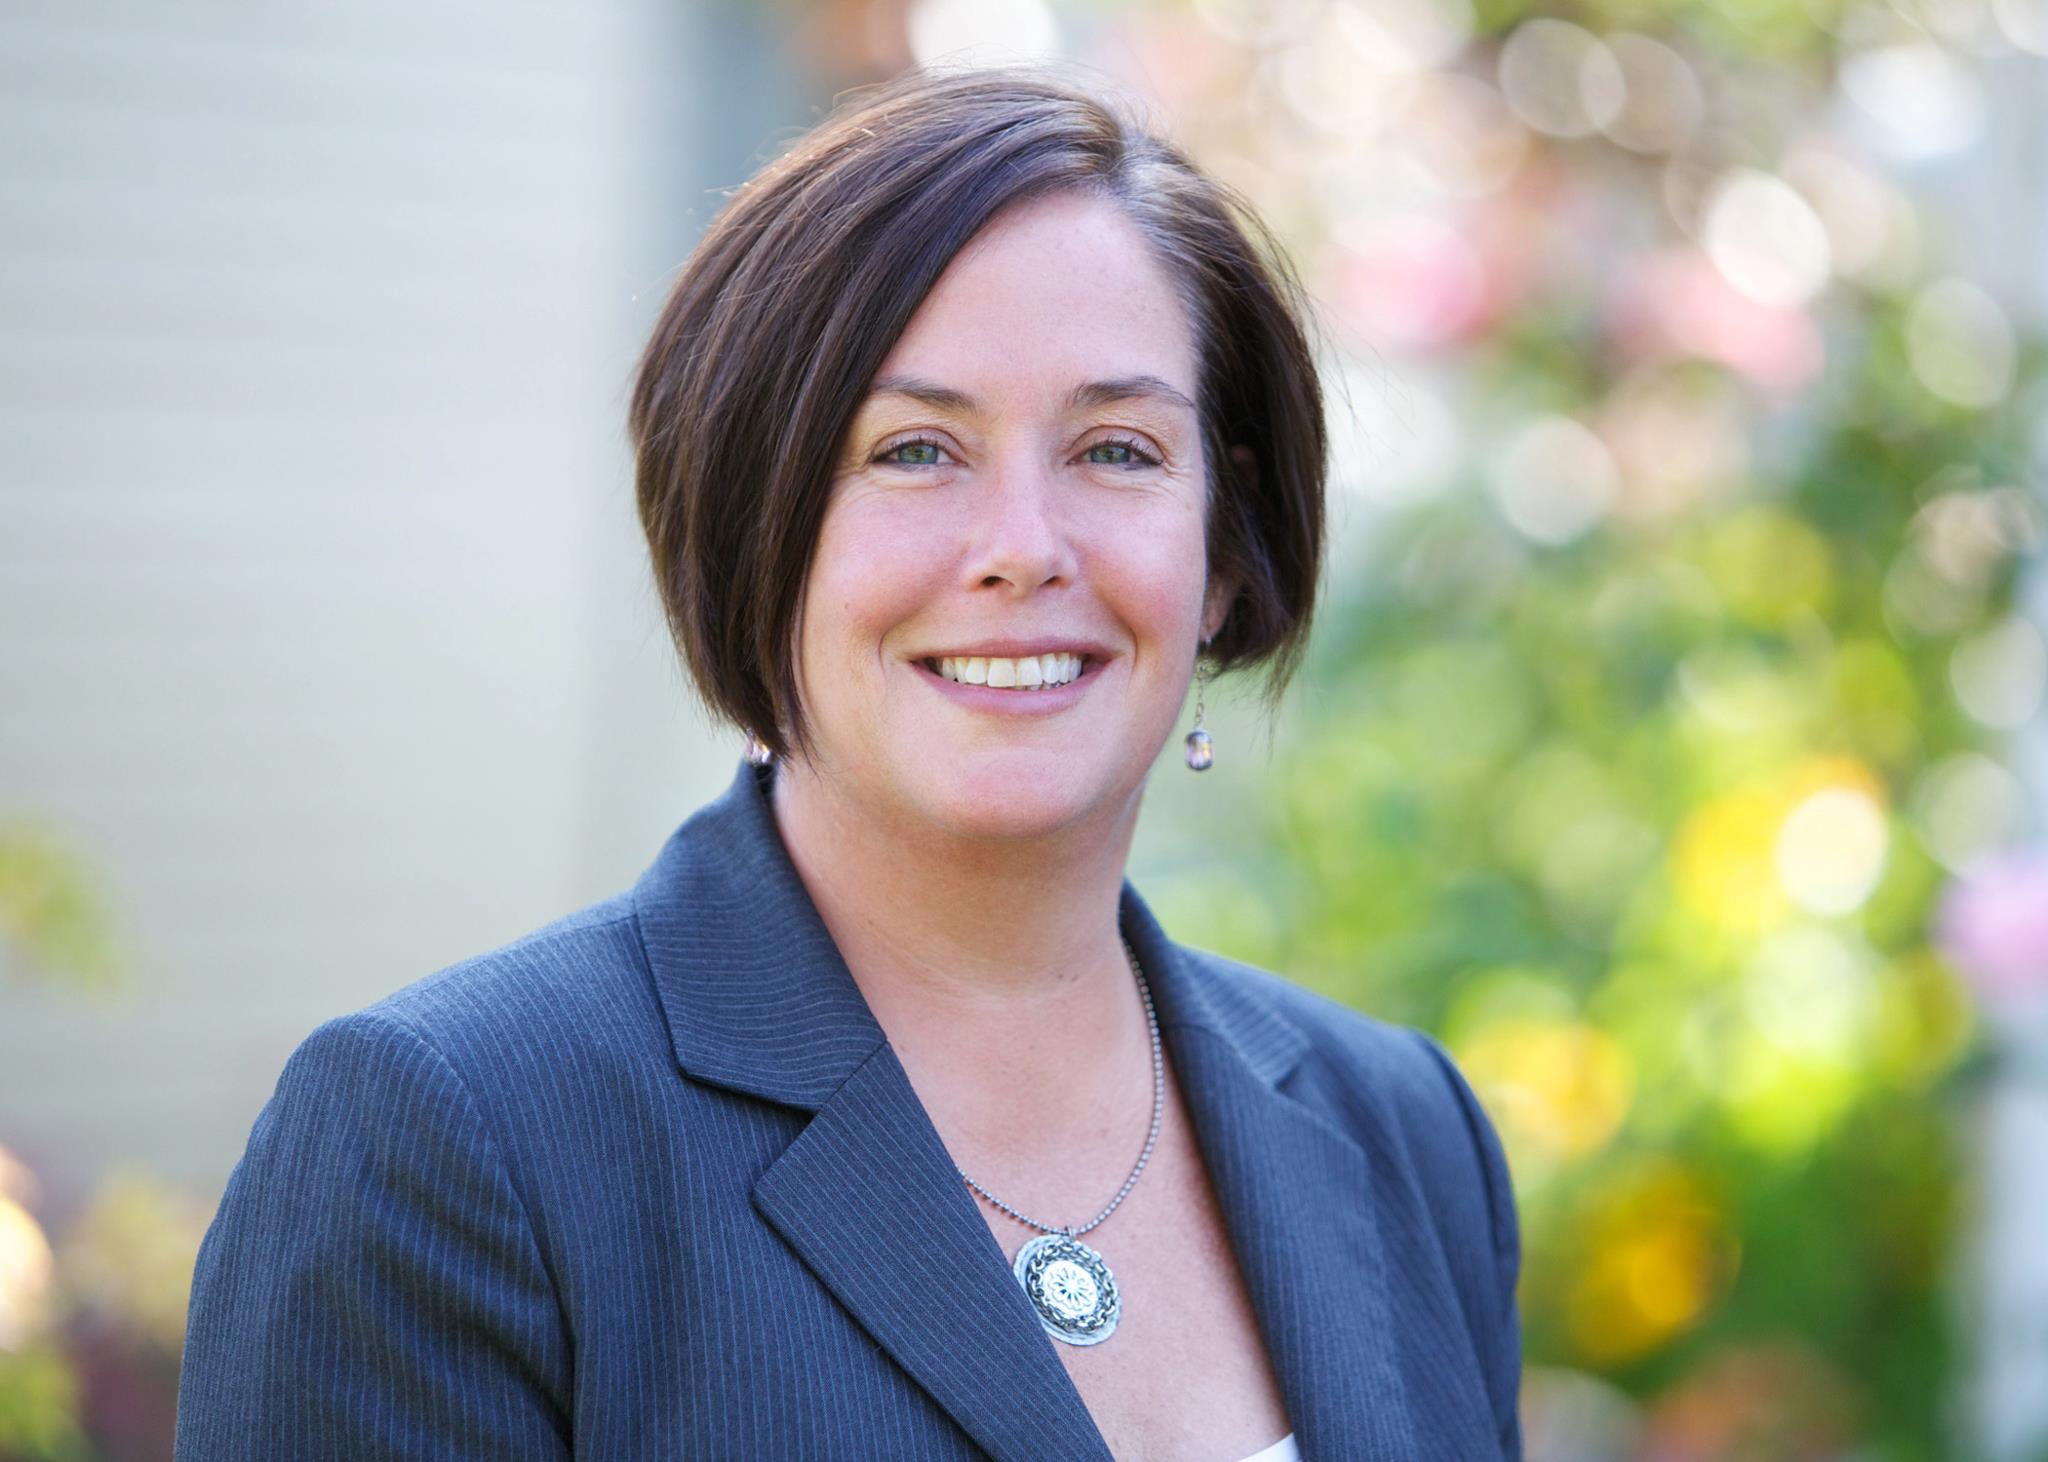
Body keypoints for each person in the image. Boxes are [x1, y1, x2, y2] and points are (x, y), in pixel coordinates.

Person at [173, 63, 1522, 1462]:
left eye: (1117, 450)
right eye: (917, 449)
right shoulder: (452, 1142)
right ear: (760, 526)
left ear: (1223, 552)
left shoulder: (1407, 1138)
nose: (1023, 547)